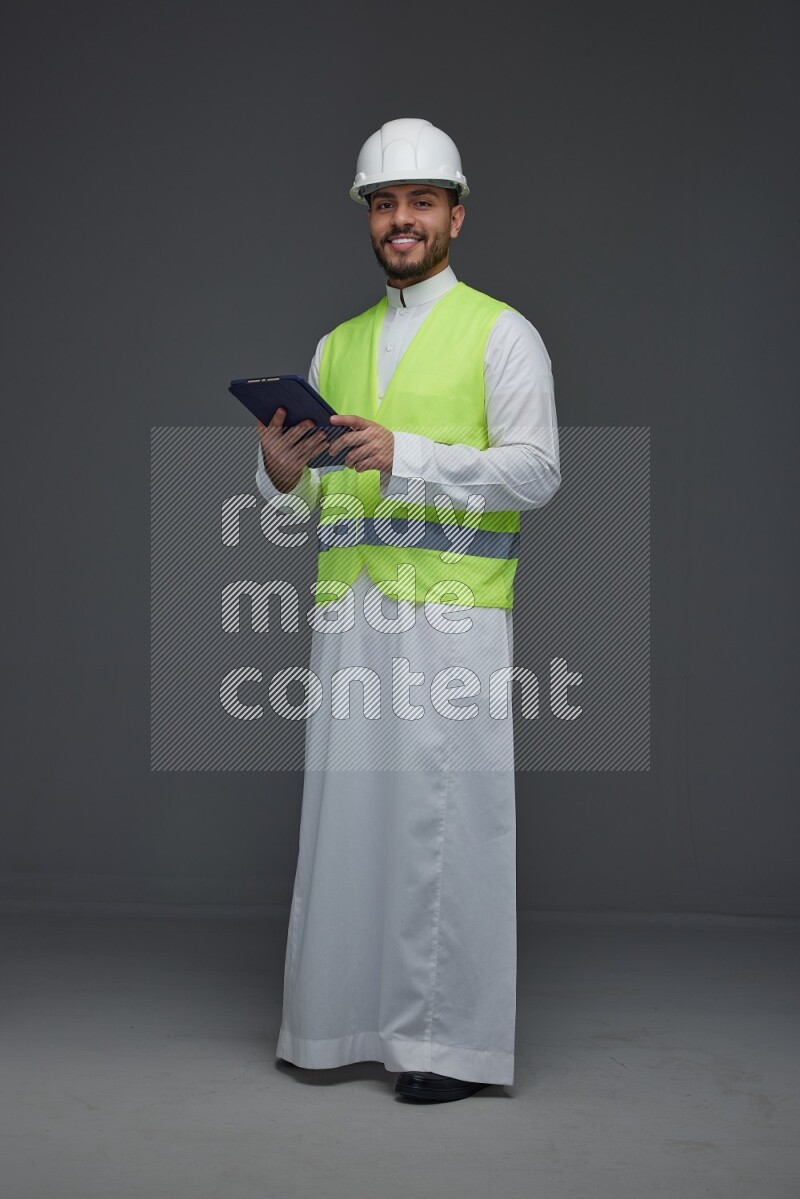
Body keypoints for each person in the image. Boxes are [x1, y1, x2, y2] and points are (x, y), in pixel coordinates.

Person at [254, 118, 560, 1103]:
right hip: (350, 615)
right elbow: (306, 500)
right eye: (384, 203)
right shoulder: (334, 343)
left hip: (453, 619)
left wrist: (412, 455)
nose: (400, 220)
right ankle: (331, 1022)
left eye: (420, 202)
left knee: (446, 824)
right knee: (348, 824)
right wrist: (276, 474)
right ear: (368, 217)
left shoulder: (500, 332)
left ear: (454, 216)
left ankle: (443, 1046)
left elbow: (538, 470)